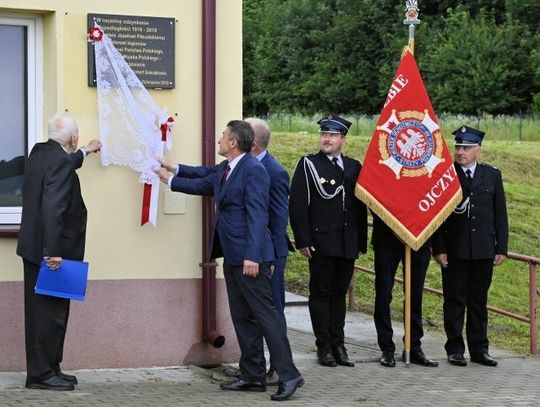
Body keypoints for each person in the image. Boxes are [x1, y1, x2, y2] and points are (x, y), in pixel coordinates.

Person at [155, 120, 303, 401]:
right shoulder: (227, 169)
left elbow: (259, 216)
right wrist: (170, 176)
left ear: (234, 142)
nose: (220, 139)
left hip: (251, 258)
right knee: (242, 317)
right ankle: (252, 374)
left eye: (223, 136)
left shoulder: (254, 171)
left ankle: (289, 374)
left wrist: (253, 256)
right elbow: (204, 180)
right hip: (233, 255)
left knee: (267, 318)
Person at [16, 113, 102, 391]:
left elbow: (68, 161)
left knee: (46, 313)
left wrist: (86, 152)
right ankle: (41, 375)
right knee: (50, 315)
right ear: (72, 138)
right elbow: (53, 209)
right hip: (52, 253)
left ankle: (50, 368)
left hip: (34, 249)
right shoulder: (60, 163)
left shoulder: (40, 154)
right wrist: (53, 251)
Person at [289, 114, 368, 367]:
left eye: (333, 135)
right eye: (324, 134)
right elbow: (298, 206)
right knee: (321, 293)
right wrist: (303, 240)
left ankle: (339, 344)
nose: (327, 139)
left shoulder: (354, 166)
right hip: (321, 243)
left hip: (347, 243)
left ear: (343, 139)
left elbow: (360, 208)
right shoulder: (309, 164)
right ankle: (323, 346)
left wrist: (360, 243)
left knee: (339, 294)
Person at [223, 118, 293, 385]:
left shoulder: (272, 170)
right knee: (249, 314)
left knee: (270, 314)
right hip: (249, 253)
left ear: (252, 142)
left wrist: (270, 256)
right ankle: (252, 369)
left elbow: (275, 218)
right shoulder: (241, 165)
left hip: (266, 255)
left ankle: (279, 370)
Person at [432, 125, 508, 367]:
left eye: (466, 147)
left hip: (483, 249)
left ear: (478, 150)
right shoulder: (446, 175)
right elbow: (437, 217)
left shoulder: (491, 175)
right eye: (458, 147)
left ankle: (479, 349)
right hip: (455, 250)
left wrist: (501, 247)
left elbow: (500, 213)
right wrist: (439, 248)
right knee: (454, 301)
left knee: (478, 302)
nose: (460, 151)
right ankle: (455, 348)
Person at [371, 214, 438, 368]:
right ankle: (387, 348)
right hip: (387, 236)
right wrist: (394, 224)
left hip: (419, 236)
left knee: (415, 294)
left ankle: (413, 346)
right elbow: (372, 194)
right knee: (384, 293)